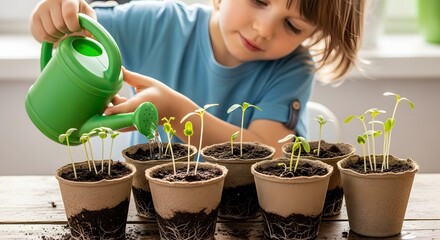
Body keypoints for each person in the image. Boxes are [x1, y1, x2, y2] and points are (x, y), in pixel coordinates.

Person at [30, 0, 365, 157]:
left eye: (292, 26)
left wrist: (176, 112)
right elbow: (84, 29)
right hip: (151, 217)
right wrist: (58, 16)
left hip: (244, 218)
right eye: (259, 0)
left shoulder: (292, 67)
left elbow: (271, 152)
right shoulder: (158, 23)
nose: (264, 29)